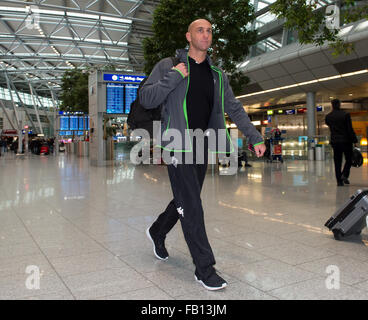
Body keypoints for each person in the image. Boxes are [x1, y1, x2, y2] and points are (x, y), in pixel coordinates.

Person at [139, 19, 266, 291]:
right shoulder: (168, 65)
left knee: (187, 200)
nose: (206, 34)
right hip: (176, 144)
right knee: (193, 207)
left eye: (209, 30)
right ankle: (205, 268)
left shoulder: (217, 76)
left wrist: (254, 136)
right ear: (188, 36)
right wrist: (174, 76)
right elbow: (146, 98)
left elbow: (234, 108)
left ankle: (157, 231)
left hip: (202, 145)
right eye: (200, 30)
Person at [325, 99, 358, 186]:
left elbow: (329, 125)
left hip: (335, 141)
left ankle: (339, 181)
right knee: (349, 159)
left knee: (337, 161)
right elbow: (349, 129)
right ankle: (344, 174)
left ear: (332, 105)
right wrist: (355, 140)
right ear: (339, 104)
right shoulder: (345, 114)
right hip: (346, 141)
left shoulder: (328, 116)